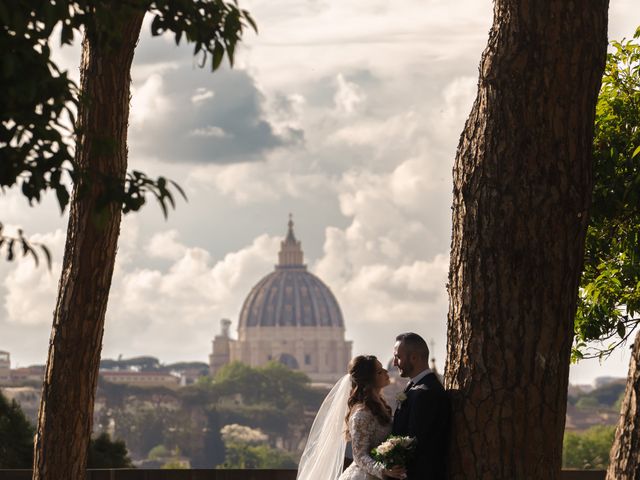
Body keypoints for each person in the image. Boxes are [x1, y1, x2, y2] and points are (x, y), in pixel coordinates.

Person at [296, 355, 406, 480]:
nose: (386, 372)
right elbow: (359, 456)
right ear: (369, 379)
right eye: (380, 371)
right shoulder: (362, 414)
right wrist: (384, 470)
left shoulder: (381, 406)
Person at [392, 332, 451, 480]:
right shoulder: (416, 387)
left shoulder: (425, 392)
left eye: (398, 357)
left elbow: (416, 444)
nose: (394, 363)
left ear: (414, 358)